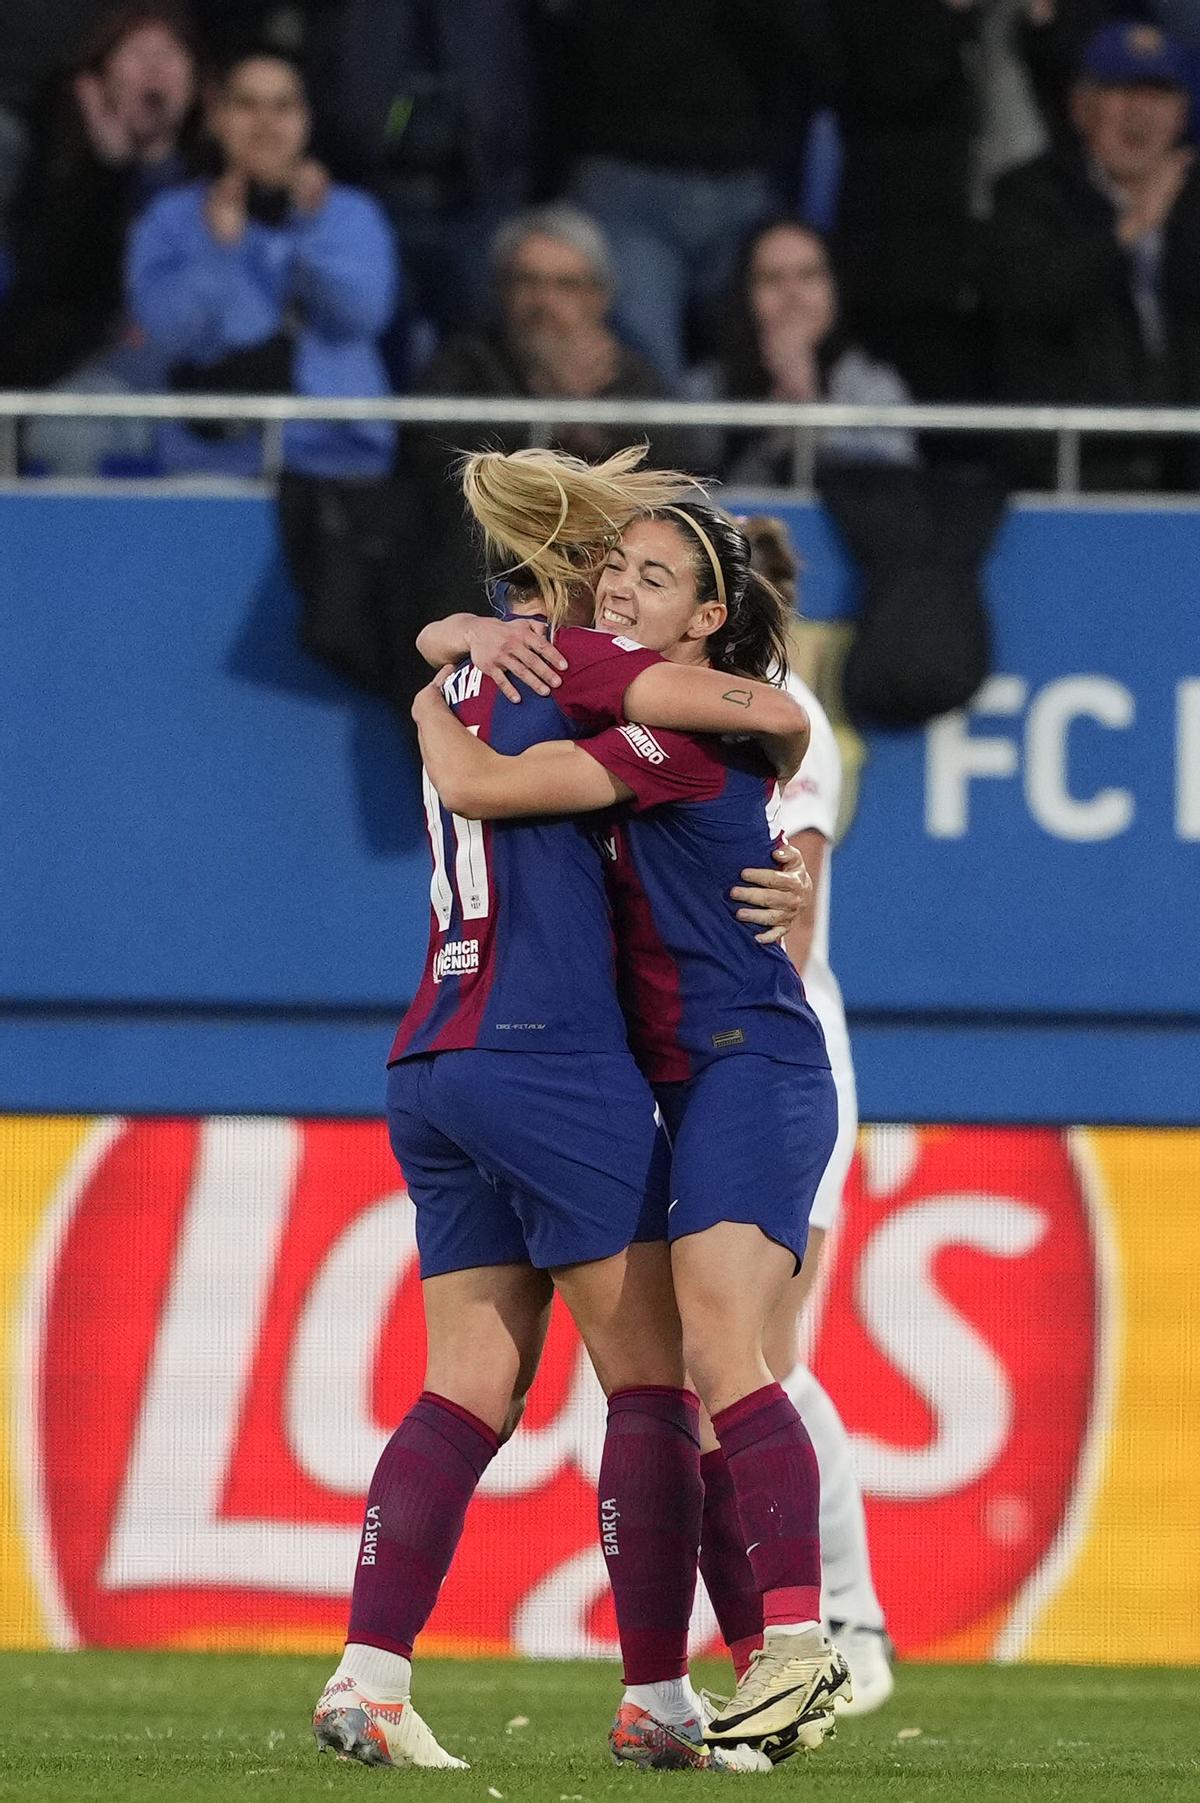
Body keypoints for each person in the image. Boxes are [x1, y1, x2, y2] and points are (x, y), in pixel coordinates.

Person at [312, 446, 819, 1774]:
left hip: (430, 1050)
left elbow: (472, 696)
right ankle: (664, 1688)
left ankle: (368, 1673)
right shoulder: (578, 667)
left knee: (470, 1377)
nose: (615, 582)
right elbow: (753, 710)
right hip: (552, 1053)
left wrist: (431, 682)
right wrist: (780, 768)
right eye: (607, 562)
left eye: (639, 569)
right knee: (660, 1381)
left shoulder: (480, 664)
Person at [708, 516, 893, 1715]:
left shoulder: (781, 715)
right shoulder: (686, 705)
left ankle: (847, 1622)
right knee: (721, 1360)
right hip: (708, 1053)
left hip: (776, 1055)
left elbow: (796, 918)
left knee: (765, 1358)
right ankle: (783, 1627)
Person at [392, 204, 679, 674]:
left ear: (599, 298)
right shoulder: (464, 364)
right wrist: (549, 412)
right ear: (501, 292)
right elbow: (437, 467)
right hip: (479, 592)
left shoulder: (630, 376)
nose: (544, 301)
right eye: (527, 282)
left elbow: (675, 477)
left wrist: (589, 423)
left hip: (606, 611)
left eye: (565, 285)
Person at [127, 47, 398, 478]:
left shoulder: (349, 213)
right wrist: (218, 251)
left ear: (306, 120)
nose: (266, 124)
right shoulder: (171, 218)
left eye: (282, 106)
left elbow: (362, 315)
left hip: (337, 457)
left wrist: (308, 233)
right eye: (247, 105)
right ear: (218, 118)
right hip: (210, 461)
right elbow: (160, 338)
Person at [548, 0, 835, 384]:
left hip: (746, 176)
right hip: (626, 178)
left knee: (768, 360)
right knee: (645, 377)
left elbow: (817, 53)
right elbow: (575, 47)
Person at [985, 19, 1200, 488]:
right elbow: (1028, 297)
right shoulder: (1028, 194)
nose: (1139, 115)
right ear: (1081, 107)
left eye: (1157, 96)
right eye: (1121, 92)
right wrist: (1133, 228)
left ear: (1183, 114)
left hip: (1187, 463)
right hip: (1073, 467)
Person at [0, 2, 202, 474]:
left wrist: (154, 165)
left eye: (170, 53)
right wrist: (106, 175)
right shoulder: (54, 172)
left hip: (189, 377)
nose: (155, 67)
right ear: (98, 79)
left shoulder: (219, 172)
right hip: (73, 373)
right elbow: (48, 293)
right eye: (137, 53)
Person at [684, 219, 917, 485]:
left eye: (808, 275)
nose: (793, 294)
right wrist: (772, 436)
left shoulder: (877, 386)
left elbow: (893, 492)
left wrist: (807, 405)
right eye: (772, 279)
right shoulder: (705, 388)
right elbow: (703, 500)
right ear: (745, 296)